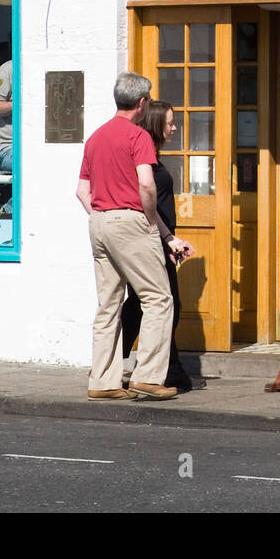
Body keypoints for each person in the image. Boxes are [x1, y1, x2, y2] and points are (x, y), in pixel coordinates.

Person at [76, 72, 176, 401]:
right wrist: (148, 223)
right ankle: (147, 376)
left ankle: (102, 381)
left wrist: (103, 215)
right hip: (130, 221)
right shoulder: (137, 137)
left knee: (108, 305)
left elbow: (81, 191)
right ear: (143, 103)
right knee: (158, 299)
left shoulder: (95, 138)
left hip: (99, 221)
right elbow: (146, 184)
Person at [121, 100, 205, 392]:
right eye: (170, 122)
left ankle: (154, 366)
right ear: (156, 124)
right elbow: (147, 202)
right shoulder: (147, 161)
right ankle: (163, 369)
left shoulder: (152, 156)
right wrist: (168, 238)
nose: (174, 127)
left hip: (159, 240)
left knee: (143, 304)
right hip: (153, 240)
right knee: (161, 304)